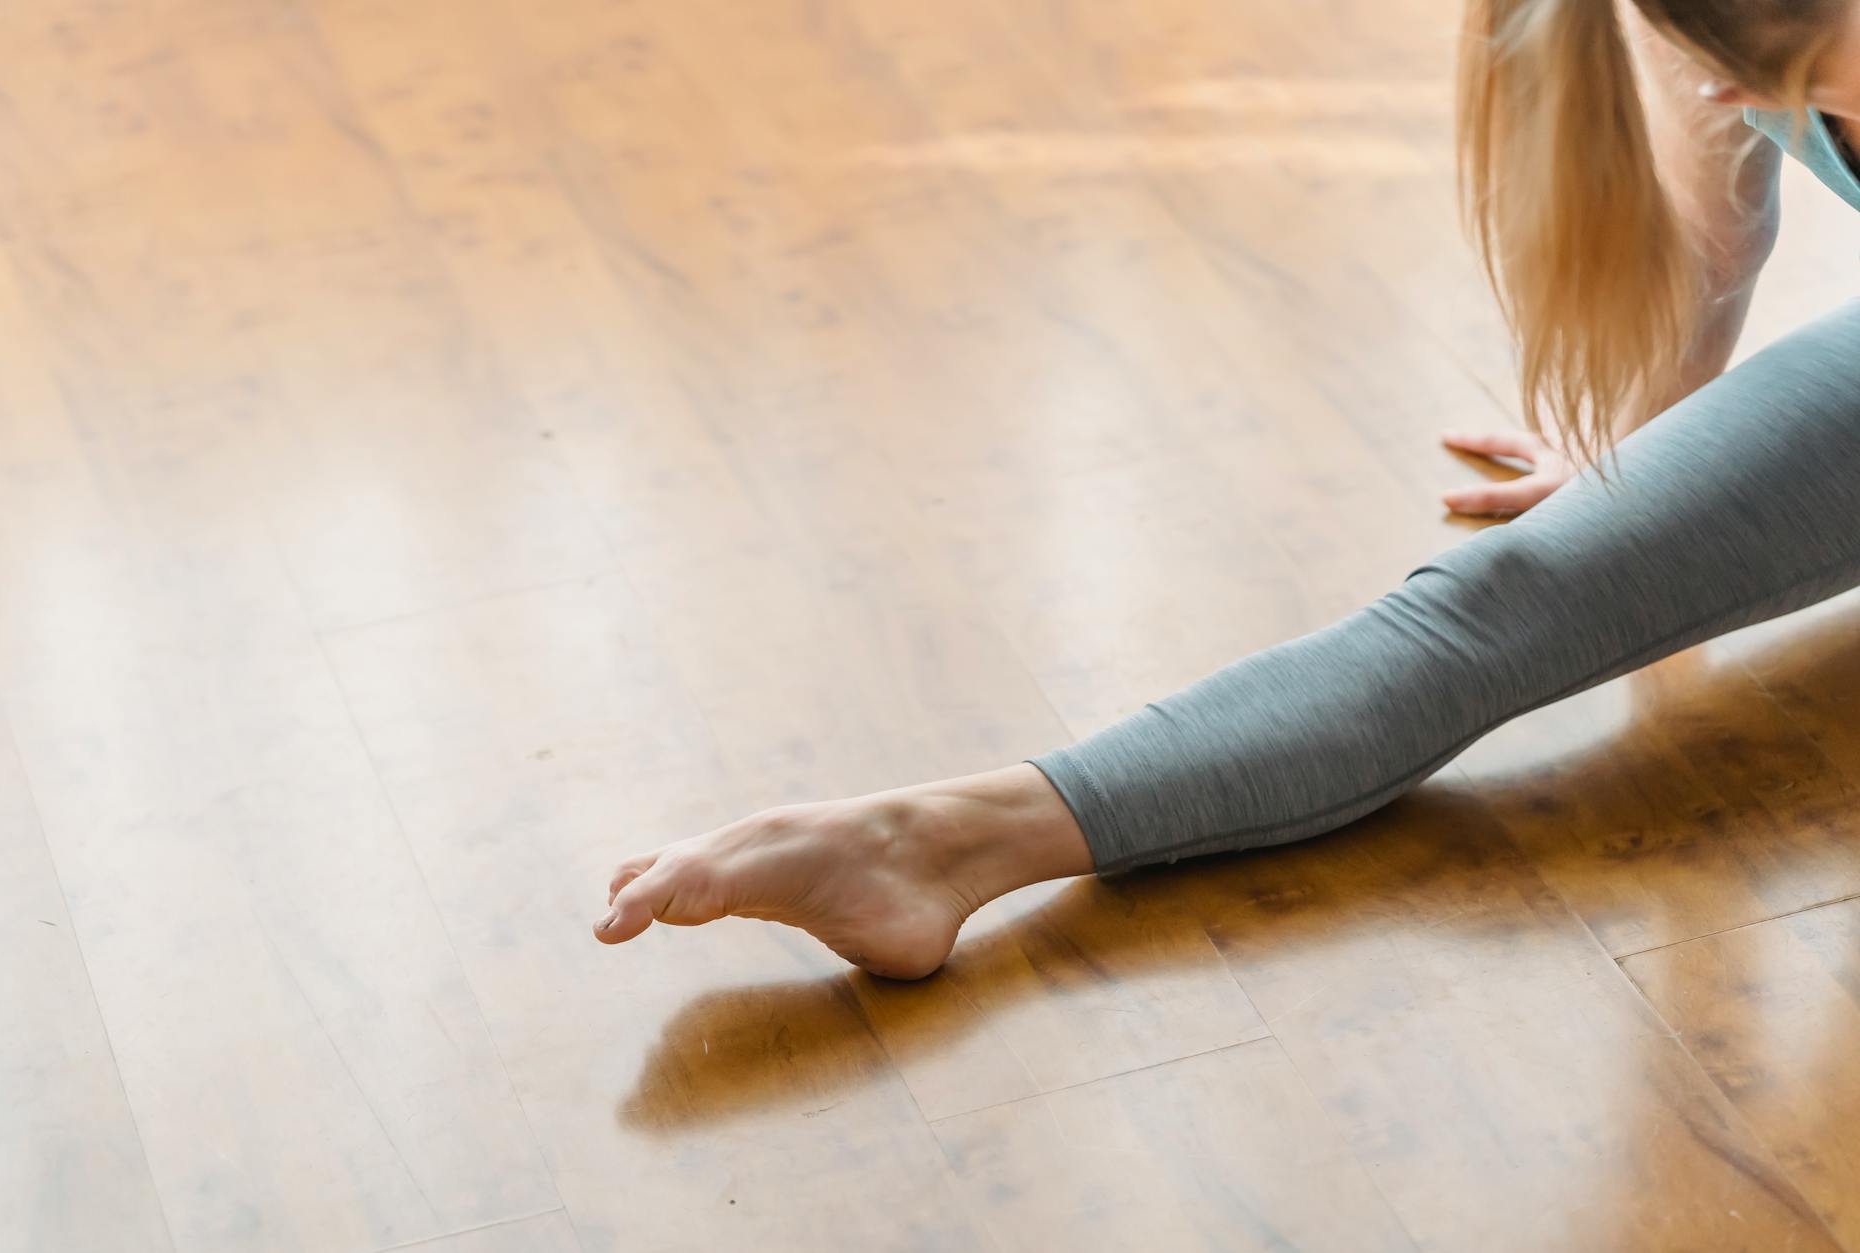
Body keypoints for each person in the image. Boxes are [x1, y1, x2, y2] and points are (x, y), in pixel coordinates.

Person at [595, 0, 1860, 980]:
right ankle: (930, 843)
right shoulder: (1714, 39)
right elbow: (1713, 243)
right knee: (1503, 595)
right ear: (1732, 79)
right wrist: (1629, 474)